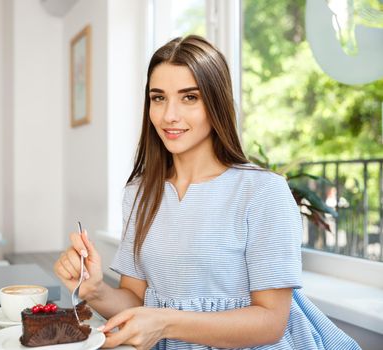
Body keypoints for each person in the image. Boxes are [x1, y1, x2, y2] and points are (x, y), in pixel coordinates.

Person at [54, 35, 361, 350]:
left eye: (189, 97)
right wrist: (94, 290)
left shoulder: (263, 192)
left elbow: (271, 322)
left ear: (216, 103)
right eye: (158, 98)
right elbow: (134, 300)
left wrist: (165, 322)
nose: (169, 115)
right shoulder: (139, 193)